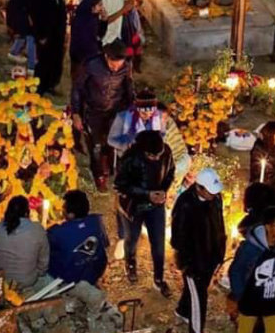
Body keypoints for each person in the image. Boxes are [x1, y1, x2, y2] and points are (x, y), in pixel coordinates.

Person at [114, 129, 175, 295]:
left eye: (158, 155)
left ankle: (159, 278)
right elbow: (120, 185)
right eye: (151, 156)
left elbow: (170, 172)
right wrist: (146, 194)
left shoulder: (166, 152)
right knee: (131, 238)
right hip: (133, 205)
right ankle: (131, 263)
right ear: (143, 151)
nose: (156, 158)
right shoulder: (130, 158)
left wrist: (163, 190)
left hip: (156, 205)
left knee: (158, 242)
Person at [72, 40, 134, 192]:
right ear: (106, 56)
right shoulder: (92, 65)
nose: (116, 67)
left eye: (119, 64)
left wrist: (133, 110)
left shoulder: (126, 67)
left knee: (116, 143)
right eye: (113, 63)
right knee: (96, 145)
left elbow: (129, 88)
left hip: (116, 109)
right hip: (94, 110)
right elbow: (77, 89)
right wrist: (76, 113)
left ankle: (116, 173)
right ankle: (99, 175)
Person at [171, 168, 227, 333]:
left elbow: (220, 225)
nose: (214, 195)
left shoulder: (216, 199)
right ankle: (196, 329)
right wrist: (187, 263)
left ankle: (182, 311)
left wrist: (220, 252)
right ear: (199, 188)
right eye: (210, 191)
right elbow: (178, 238)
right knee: (200, 297)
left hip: (211, 256)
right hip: (194, 263)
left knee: (195, 291)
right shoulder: (185, 204)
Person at [228, 205, 275, 333]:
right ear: (268, 227)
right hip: (251, 302)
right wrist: (240, 294)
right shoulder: (250, 247)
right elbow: (236, 271)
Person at [108, 91, 190, 179]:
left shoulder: (157, 117)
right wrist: (128, 143)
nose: (147, 116)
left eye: (151, 113)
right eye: (143, 113)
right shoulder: (122, 118)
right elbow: (111, 140)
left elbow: (162, 134)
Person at [47, 190, 109, 286]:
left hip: (71, 277)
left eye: (63, 208)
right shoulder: (97, 221)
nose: (62, 210)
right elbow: (105, 243)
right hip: (98, 269)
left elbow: (43, 247)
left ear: (71, 214)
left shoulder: (57, 232)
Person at [0, 195, 49, 292]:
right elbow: (43, 261)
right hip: (26, 282)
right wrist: (38, 272)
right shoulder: (37, 229)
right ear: (27, 212)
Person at [28, 0, 67, 95]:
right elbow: (35, 13)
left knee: (56, 60)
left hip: (58, 32)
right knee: (44, 61)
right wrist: (41, 35)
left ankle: (51, 85)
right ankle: (39, 89)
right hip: (45, 33)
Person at [69, 0, 106, 77]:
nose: (101, 7)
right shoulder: (82, 18)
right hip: (81, 56)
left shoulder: (94, 16)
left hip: (89, 56)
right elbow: (85, 40)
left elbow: (99, 34)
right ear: (92, 6)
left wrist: (104, 21)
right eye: (99, 5)